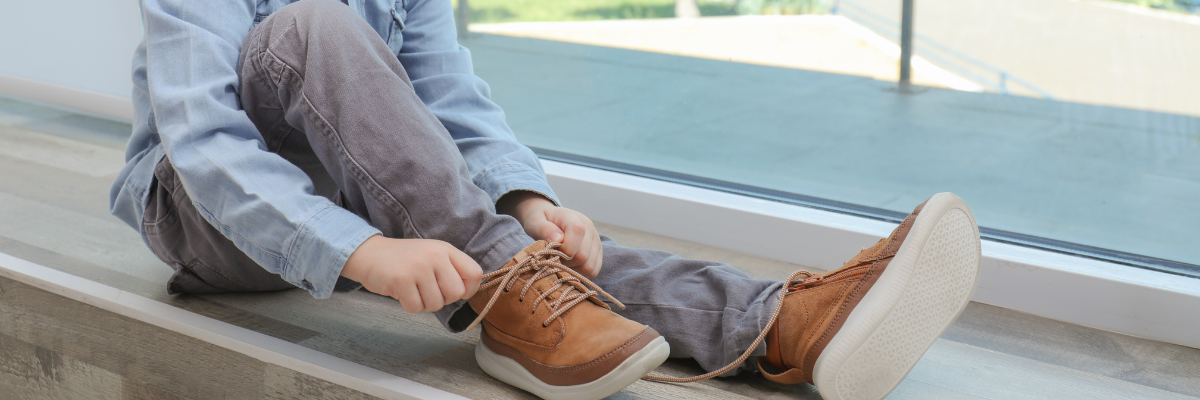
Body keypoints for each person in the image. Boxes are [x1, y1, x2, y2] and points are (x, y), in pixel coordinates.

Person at [109, 1, 983, 399]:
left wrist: (528, 201)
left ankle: (778, 326)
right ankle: (518, 305)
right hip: (208, 221)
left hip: (351, 196)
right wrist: (361, 250)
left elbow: (449, 102)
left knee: (534, 256)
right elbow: (207, 150)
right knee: (312, 27)